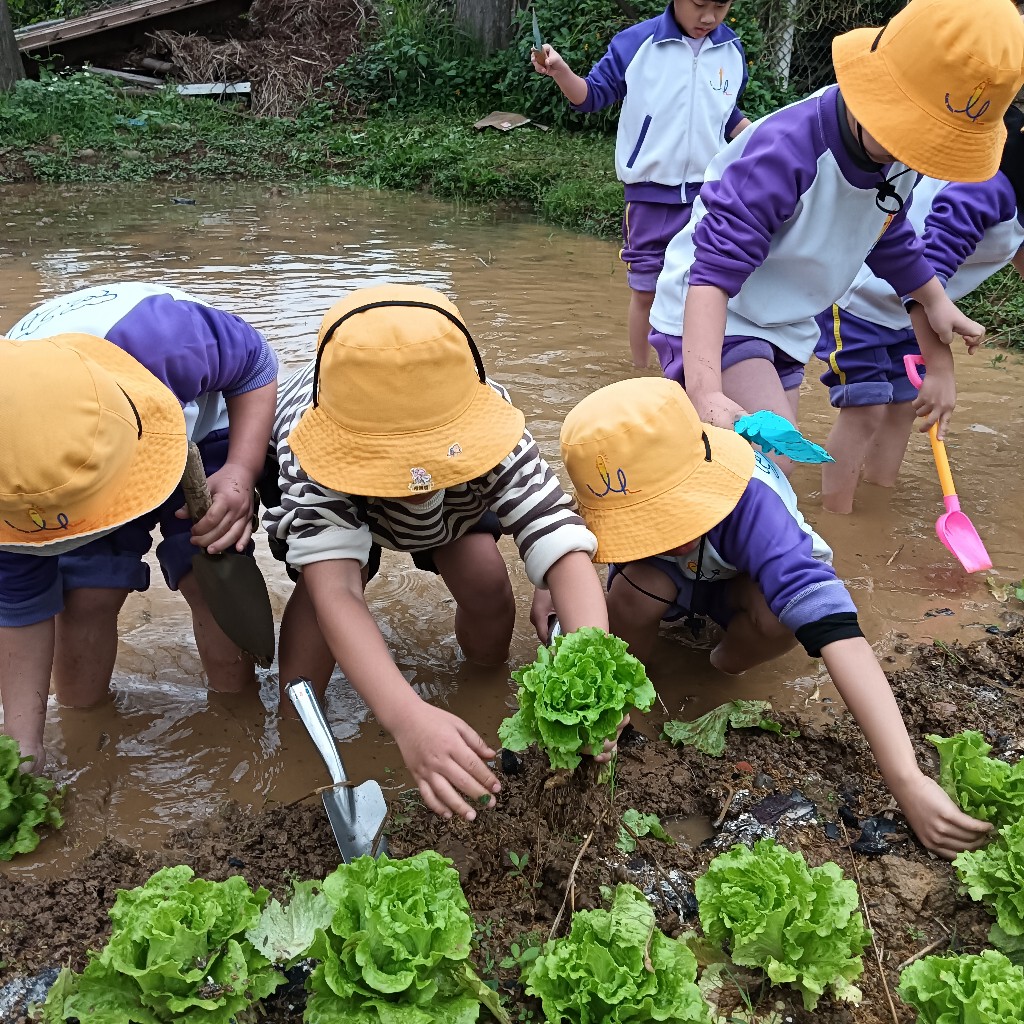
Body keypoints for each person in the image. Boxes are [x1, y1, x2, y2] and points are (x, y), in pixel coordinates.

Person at [559, 376, 992, 859]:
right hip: (664, 581)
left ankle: (721, 666)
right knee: (635, 593)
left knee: (781, 615)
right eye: (646, 523)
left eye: (676, 513)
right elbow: (565, 564)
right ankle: (630, 696)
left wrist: (907, 779)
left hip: (742, 585)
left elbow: (835, 629)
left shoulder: (753, 504)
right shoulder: (600, 509)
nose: (671, 535)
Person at [262, 284, 609, 824]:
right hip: (347, 497)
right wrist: (406, 718)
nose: (410, 483)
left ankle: (482, 678)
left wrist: (594, 673)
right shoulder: (309, 453)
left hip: (456, 498)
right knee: (316, 604)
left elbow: (561, 542)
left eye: (422, 461)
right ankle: (298, 734)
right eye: (396, 466)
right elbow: (338, 591)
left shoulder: (493, 432)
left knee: (487, 584)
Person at [648, 0, 1024, 455]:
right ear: (879, 92)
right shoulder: (787, 152)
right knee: (768, 459)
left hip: (787, 319)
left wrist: (934, 300)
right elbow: (713, 271)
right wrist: (706, 390)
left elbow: (886, 231)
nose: (918, 159)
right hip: (716, 310)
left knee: (765, 459)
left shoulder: (896, 156)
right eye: (916, 140)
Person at [0, 282, 278, 771]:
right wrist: (22, 748)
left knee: (211, 564)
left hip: (191, 419)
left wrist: (241, 469)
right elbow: (19, 608)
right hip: (51, 458)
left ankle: (239, 714)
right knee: (85, 593)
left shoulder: (168, 341)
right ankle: (84, 724)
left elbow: (256, 364)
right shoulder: (12, 484)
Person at [815, 106, 1024, 513]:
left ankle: (876, 510)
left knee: (902, 408)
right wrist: (941, 369)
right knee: (866, 408)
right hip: (862, 297)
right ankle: (835, 520)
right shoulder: (984, 190)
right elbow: (926, 272)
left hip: (913, 316)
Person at [532, 0, 750, 369]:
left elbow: (726, 116)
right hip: (650, 198)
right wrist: (561, 72)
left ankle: (695, 375)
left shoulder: (731, 49)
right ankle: (639, 374)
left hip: (707, 198)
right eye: (699, 4)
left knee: (704, 292)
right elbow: (591, 96)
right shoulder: (636, 43)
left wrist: (765, 139)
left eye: (721, 5)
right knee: (646, 292)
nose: (709, 17)